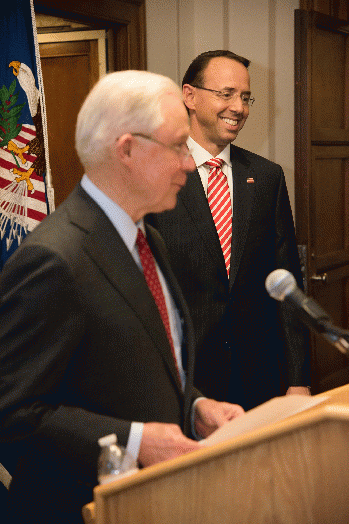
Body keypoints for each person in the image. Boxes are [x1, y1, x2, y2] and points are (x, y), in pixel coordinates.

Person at [0, 70, 244, 524]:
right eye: (177, 146)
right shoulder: (53, 260)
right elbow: (11, 412)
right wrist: (134, 441)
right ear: (127, 149)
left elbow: (138, 366)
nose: (189, 164)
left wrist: (194, 406)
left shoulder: (147, 238)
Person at [148, 50, 311, 412]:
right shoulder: (156, 175)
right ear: (189, 96)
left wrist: (298, 379)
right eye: (226, 94)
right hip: (185, 383)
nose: (239, 107)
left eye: (245, 97)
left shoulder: (267, 177)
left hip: (260, 379)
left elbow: (287, 282)